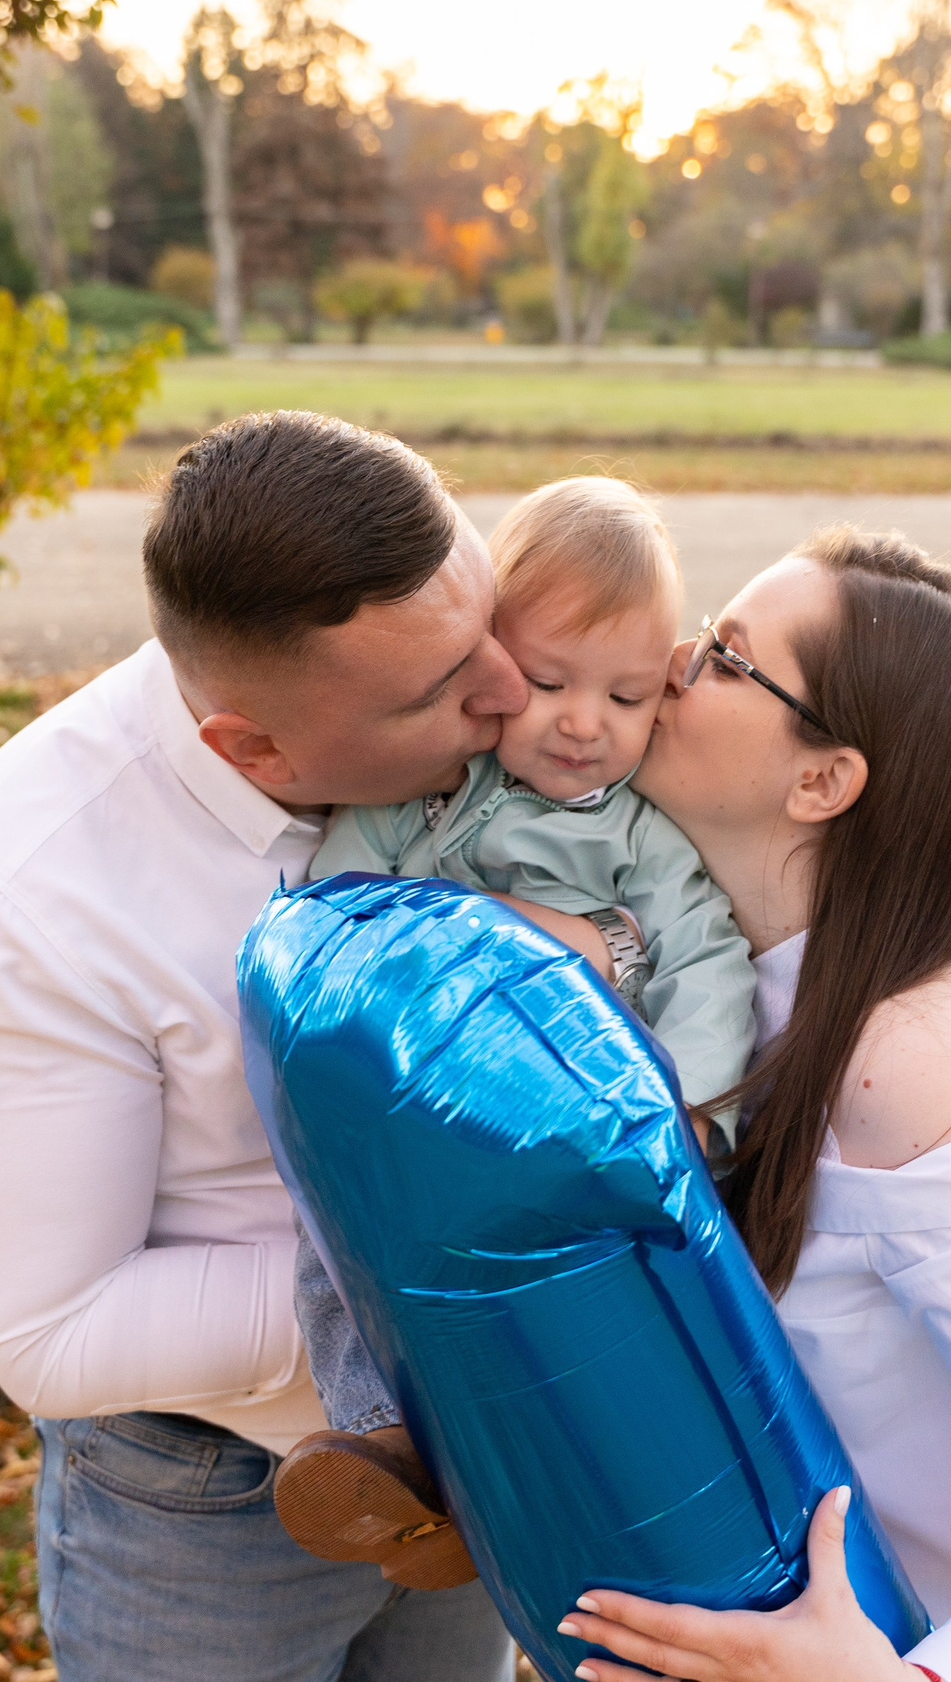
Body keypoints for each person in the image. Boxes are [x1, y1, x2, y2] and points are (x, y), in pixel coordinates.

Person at [0, 412, 581, 1682]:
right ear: (251, 748)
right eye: (441, 691)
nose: (507, 689)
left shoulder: (471, 730)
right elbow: (47, 1333)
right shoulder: (37, 887)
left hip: (475, 1458)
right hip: (207, 1513)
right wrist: (429, 1284)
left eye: (482, 621)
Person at [556, 529, 951, 1682]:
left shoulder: (920, 1056)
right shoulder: (735, 983)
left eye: (725, 656)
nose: (674, 661)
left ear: (821, 781)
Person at [275, 477, 756, 1593]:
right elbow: (336, 912)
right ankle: (378, 1442)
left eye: (629, 697)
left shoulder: (645, 840)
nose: (584, 722)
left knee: (579, 1296)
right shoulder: (428, 792)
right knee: (337, 1249)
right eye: (547, 682)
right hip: (410, 1112)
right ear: (490, 659)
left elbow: (708, 963)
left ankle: (530, 1464)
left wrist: (694, 1112)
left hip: (580, 1130)